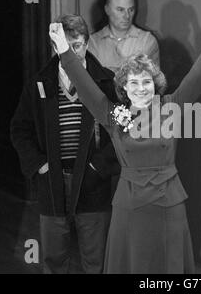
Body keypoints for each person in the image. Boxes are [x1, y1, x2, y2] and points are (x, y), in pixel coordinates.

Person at [49, 10, 201, 273]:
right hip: (130, 205)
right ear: (124, 87)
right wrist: (65, 51)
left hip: (169, 202)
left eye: (146, 81)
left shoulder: (171, 107)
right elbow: (86, 87)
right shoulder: (114, 115)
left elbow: (198, 76)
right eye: (133, 82)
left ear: (155, 84)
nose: (140, 87)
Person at [10, 15, 120, 273]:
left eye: (77, 45)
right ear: (53, 45)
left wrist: (98, 168)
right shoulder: (39, 82)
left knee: (96, 260)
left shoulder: (106, 82)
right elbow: (19, 129)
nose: (70, 51)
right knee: (54, 260)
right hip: (53, 182)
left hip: (93, 183)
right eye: (64, 45)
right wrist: (40, 166)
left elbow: (121, 131)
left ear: (87, 43)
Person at [88, 0, 160, 71]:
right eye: (120, 10)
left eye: (131, 10)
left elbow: (152, 79)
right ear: (107, 10)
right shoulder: (93, 42)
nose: (127, 16)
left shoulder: (147, 41)